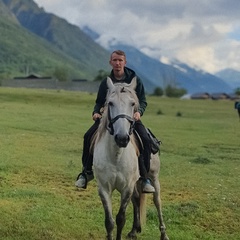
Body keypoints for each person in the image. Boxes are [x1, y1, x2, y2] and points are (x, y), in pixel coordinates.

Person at [75, 50, 155, 193]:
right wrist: (95, 112)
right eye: (115, 60)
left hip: (131, 118)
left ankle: (144, 178)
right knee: (88, 136)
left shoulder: (135, 80)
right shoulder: (106, 83)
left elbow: (142, 100)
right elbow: (99, 102)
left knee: (145, 139)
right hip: (109, 118)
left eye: (120, 60)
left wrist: (139, 112)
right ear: (110, 62)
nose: (118, 63)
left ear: (125, 62)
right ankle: (86, 172)